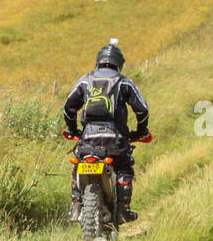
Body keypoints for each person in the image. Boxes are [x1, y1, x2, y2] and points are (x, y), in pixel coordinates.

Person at [62, 39, 151, 222]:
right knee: (124, 168)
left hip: (88, 141)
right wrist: (141, 132)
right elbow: (142, 110)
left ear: (99, 61)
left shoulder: (86, 80)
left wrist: (73, 130)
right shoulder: (124, 82)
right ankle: (123, 209)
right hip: (116, 141)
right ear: (119, 64)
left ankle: (76, 206)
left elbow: (68, 108)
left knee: (77, 166)